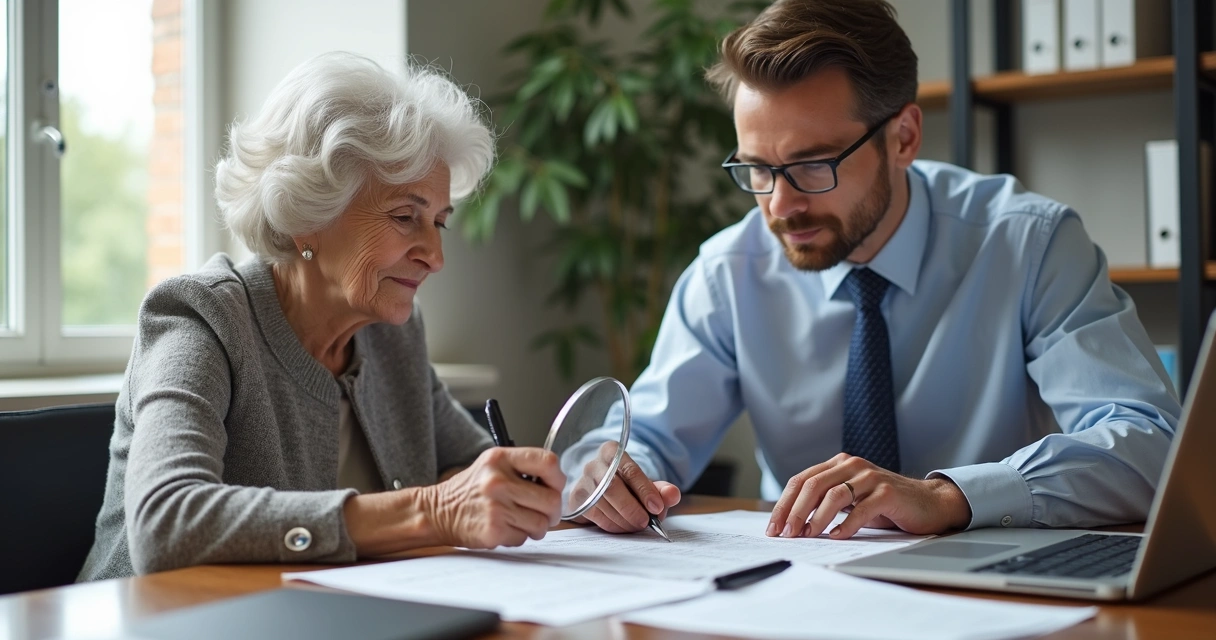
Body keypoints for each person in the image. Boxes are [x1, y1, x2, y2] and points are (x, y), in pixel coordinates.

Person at [574, 0, 1180, 541]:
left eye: (813, 165)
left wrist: (950, 496)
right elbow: (648, 441)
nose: (780, 207)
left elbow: (1152, 442)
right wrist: (611, 471)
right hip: (798, 586)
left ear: (904, 137)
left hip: (990, 579)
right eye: (757, 169)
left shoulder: (1028, 244)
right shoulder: (728, 273)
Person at [79, 52, 564, 580]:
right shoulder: (201, 318)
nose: (435, 255)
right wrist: (431, 512)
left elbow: (474, 472)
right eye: (406, 217)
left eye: (439, 223)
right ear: (307, 214)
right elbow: (165, 526)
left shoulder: (391, 337)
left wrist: (577, 486)